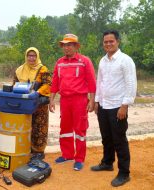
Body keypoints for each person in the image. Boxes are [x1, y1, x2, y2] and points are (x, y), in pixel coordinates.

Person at [90, 30, 137, 187]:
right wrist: (96, 101)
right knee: (106, 138)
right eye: (105, 42)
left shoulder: (125, 61)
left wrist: (125, 105)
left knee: (119, 140)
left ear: (118, 42)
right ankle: (107, 162)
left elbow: (131, 84)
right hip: (103, 105)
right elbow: (100, 82)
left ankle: (124, 173)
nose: (108, 44)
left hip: (118, 106)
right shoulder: (103, 61)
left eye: (111, 41)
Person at [49, 34, 96, 171]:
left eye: (70, 44)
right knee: (65, 129)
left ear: (76, 46)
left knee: (80, 129)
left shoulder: (84, 61)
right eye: (64, 45)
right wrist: (51, 99)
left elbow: (92, 82)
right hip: (64, 100)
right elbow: (55, 82)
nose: (67, 47)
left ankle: (79, 158)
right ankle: (67, 154)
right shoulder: (60, 62)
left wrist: (92, 100)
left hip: (79, 100)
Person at [13, 47, 51, 159]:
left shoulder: (42, 69)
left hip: (39, 105)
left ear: (37, 56)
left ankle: (39, 151)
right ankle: (26, 148)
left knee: (39, 127)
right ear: (26, 56)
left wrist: (37, 93)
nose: (31, 58)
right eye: (29, 55)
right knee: (25, 126)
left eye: (34, 56)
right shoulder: (19, 70)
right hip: (24, 105)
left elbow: (48, 84)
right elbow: (15, 84)